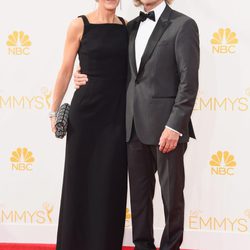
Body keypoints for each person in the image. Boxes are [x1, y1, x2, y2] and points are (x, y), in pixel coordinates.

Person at [74, 0, 200, 249]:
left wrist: (175, 126)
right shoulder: (129, 27)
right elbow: (111, 64)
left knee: (171, 199)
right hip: (132, 128)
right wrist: (82, 72)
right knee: (140, 201)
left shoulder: (183, 25)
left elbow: (189, 81)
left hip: (167, 129)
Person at [49, 0, 128, 249]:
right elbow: (65, 69)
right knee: (79, 182)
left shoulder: (127, 27)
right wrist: (53, 112)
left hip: (116, 116)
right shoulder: (79, 25)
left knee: (110, 183)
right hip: (85, 117)